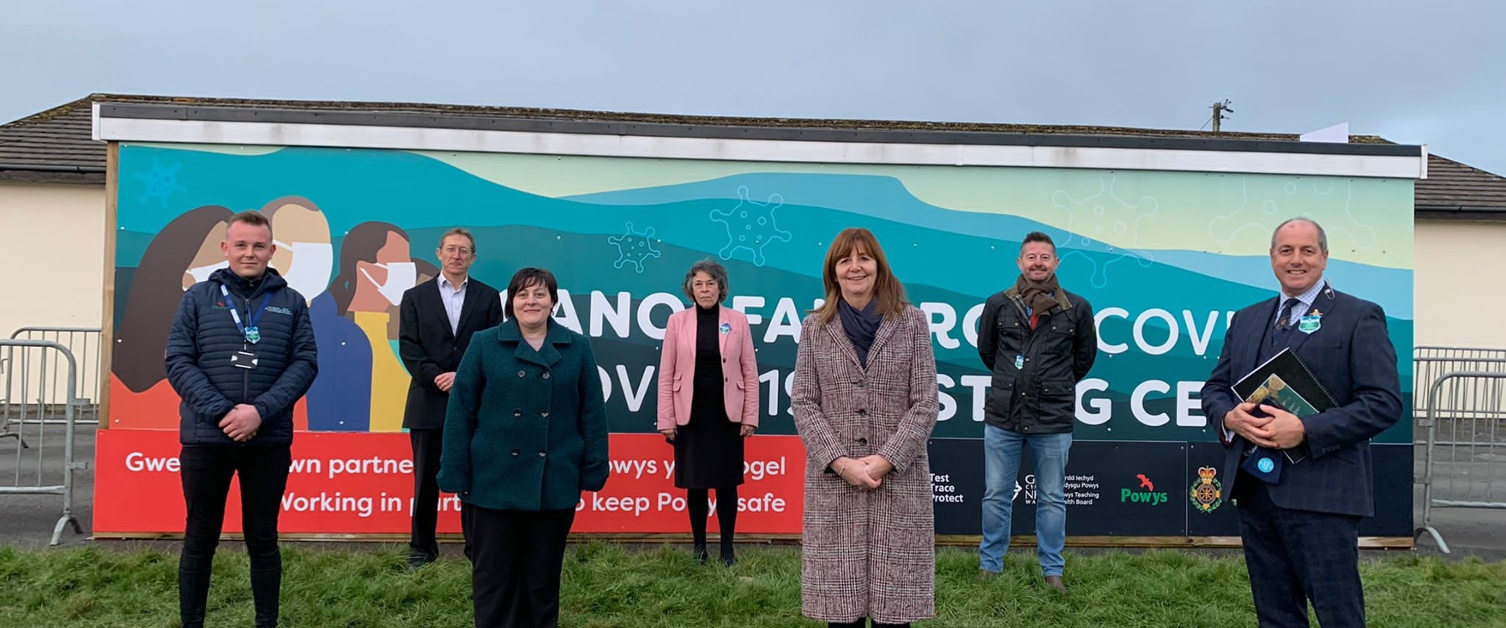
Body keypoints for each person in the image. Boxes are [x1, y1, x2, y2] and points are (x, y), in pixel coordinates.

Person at [1201, 218, 1402, 628]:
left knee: (1339, 615)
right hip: (1256, 492)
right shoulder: (1246, 319)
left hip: (1324, 497)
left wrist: (1306, 431)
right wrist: (1228, 416)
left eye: (1307, 251)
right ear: (1273, 258)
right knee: (1275, 616)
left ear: (1324, 258)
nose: (1296, 260)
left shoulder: (1359, 317)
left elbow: (1383, 403)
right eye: (1286, 251)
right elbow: (1215, 389)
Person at [164, 210, 318, 628]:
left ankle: (266, 622)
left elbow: (304, 363)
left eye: (259, 246)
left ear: (272, 250)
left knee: (263, 538)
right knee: (200, 538)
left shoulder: (291, 301)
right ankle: (192, 622)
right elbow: (178, 360)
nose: (249, 253)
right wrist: (223, 413)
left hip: (267, 441)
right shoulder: (197, 297)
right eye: (241, 245)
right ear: (225, 248)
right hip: (205, 439)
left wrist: (260, 412)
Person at [438, 267, 610, 628]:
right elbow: (461, 411)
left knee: (542, 581)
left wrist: (594, 465)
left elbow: (592, 410)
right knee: (494, 580)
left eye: (540, 294)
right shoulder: (484, 343)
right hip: (491, 483)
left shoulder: (576, 346)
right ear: (511, 303)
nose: (531, 301)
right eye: (522, 294)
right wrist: (455, 469)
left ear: (553, 301)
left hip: (553, 483)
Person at [791, 227, 938, 628]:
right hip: (835, 488)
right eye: (845, 260)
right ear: (834, 273)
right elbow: (803, 402)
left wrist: (886, 460)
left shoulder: (911, 323)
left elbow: (925, 401)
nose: (855, 267)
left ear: (879, 267)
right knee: (842, 616)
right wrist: (842, 462)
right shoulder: (815, 328)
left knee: (896, 617)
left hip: (898, 484)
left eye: (863, 258)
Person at [974, 231, 1098, 593]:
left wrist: (1052, 382)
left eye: (1045, 256)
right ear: (1020, 263)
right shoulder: (998, 303)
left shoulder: (1077, 307)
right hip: (1004, 417)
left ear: (1055, 263)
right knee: (996, 493)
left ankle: (1052, 571)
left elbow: (1083, 359)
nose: (1038, 262)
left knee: (1052, 497)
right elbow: (988, 352)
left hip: (1052, 418)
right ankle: (990, 566)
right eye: (1031, 256)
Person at [398, 227, 504, 570]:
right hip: (428, 401)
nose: (457, 255)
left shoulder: (488, 298)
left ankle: (477, 549)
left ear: (473, 258)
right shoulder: (415, 297)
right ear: (439, 253)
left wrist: (462, 376)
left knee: (473, 480)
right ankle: (421, 550)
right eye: (451, 249)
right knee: (425, 480)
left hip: (474, 402)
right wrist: (437, 377)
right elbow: (409, 349)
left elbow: (493, 346)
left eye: (464, 251)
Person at [656, 259, 759, 566]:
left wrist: (750, 415)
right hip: (690, 414)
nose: (704, 289)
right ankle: (699, 549)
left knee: (727, 483)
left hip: (727, 414)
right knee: (696, 484)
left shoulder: (738, 321)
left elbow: (749, 372)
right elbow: (666, 373)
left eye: (710, 283)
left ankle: (727, 550)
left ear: (720, 287)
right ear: (691, 288)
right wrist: (667, 419)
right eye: (699, 284)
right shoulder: (677, 321)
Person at [113, 205, 232, 429]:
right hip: (200, 429)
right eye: (218, 252)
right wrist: (222, 410)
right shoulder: (132, 355)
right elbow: (179, 363)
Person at [329, 221, 416, 432]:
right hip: (347, 455)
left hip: (400, 456)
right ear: (364, 268)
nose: (407, 272)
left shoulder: (400, 333)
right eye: (398, 262)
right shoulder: (334, 331)